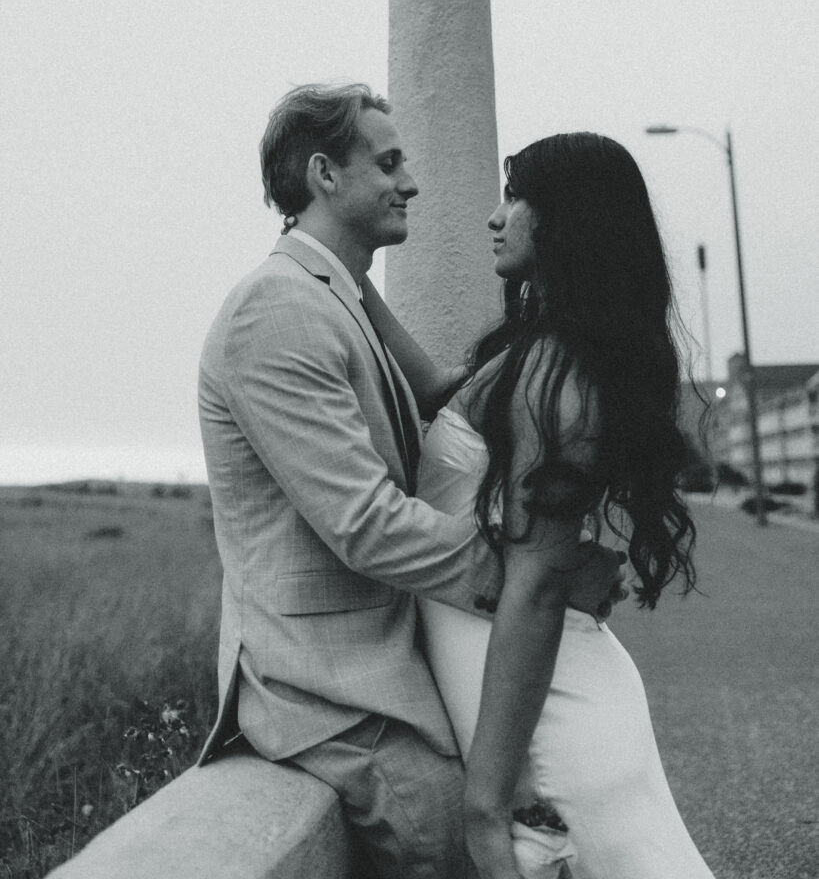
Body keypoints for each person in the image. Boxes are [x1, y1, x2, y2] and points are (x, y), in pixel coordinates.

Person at [197, 85, 625, 879]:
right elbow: (365, 523)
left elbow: (441, 396)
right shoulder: (276, 310)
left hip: (390, 669)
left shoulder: (336, 292)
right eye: (388, 163)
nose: (412, 182)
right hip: (331, 694)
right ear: (325, 174)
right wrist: (543, 575)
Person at [364, 131, 716, 878]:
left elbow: (537, 581)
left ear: (565, 218)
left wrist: (485, 802)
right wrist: (340, 267)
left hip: (555, 719)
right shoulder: (536, 347)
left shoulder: (556, 373)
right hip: (532, 684)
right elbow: (437, 394)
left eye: (515, 196)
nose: (497, 216)